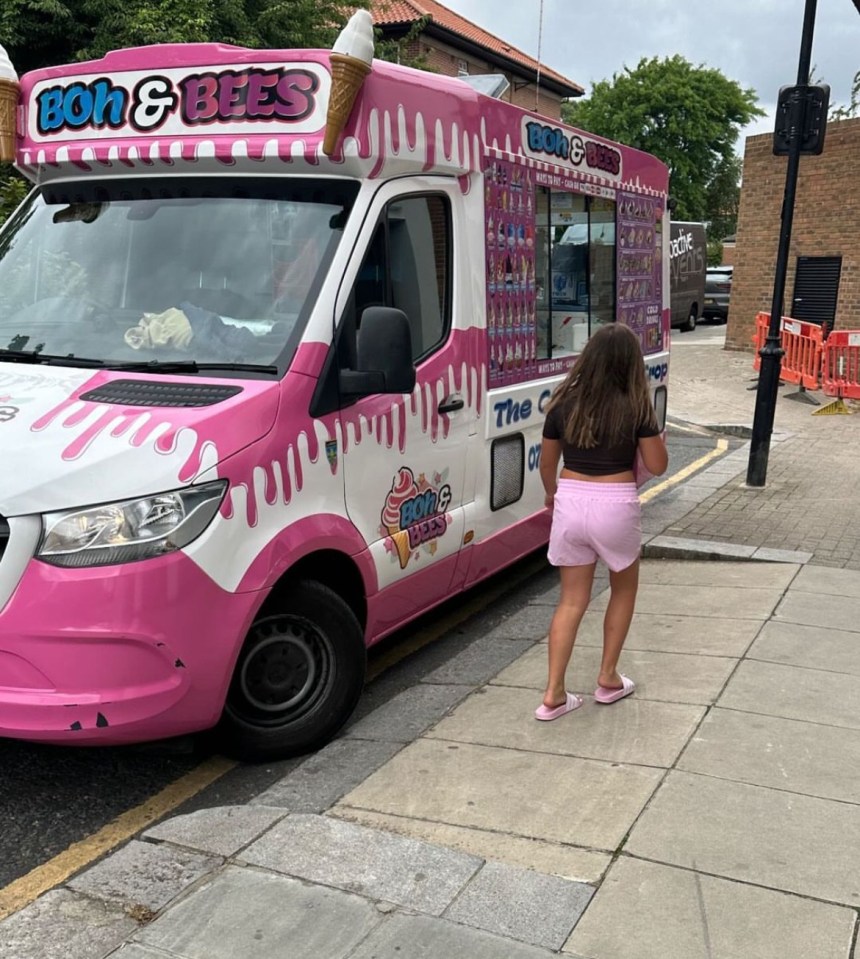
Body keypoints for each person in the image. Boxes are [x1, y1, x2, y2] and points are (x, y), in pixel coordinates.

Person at [535, 322, 668, 721]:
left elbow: (547, 464)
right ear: (630, 364)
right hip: (615, 503)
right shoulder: (636, 406)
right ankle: (608, 678)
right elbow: (658, 466)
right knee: (622, 590)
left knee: (571, 599)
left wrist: (551, 495)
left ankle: (554, 694)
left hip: (571, 500)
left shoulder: (562, 404)